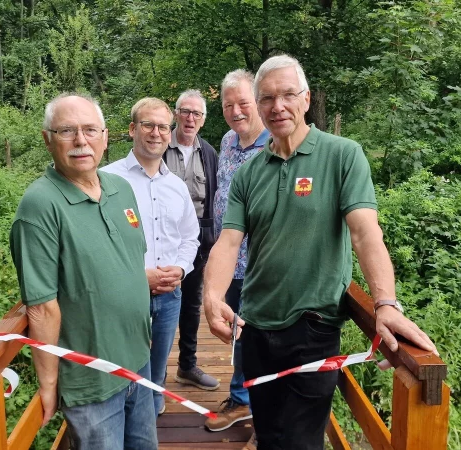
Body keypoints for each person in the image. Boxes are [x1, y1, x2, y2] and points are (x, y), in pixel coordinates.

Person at [203, 55, 438, 449]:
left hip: (312, 326)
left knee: (300, 441)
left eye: (287, 95)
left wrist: (386, 303)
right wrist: (211, 297)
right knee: (270, 435)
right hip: (256, 327)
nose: (278, 106)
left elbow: (365, 234)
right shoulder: (249, 172)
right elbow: (228, 242)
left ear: (306, 99)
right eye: (267, 98)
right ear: (259, 106)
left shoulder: (342, 155)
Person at [9, 93, 157, 449]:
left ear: (105, 137)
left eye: (90, 129)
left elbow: (128, 262)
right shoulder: (40, 206)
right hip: (91, 380)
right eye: (67, 131)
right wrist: (48, 385)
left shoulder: (121, 189)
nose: (81, 141)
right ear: (47, 138)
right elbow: (41, 306)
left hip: (138, 360)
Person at [101, 97, 200, 417]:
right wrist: (136, 276)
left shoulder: (176, 187)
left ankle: (152, 413)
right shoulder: (106, 181)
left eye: (163, 126)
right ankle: (127, 417)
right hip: (125, 296)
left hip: (171, 295)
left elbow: (190, 237)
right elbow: (98, 243)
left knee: (158, 369)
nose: (156, 133)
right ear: (132, 129)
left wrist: (181, 269)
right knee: (125, 368)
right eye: (148, 125)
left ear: (170, 133)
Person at [204, 70, 269, 442]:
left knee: (260, 340)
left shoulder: (275, 144)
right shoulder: (228, 141)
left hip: (263, 267)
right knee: (238, 336)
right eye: (229, 105)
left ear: (257, 101)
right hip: (230, 263)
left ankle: (265, 422)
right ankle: (241, 398)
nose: (236, 111)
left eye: (243, 103)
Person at [163, 89, 220, 391]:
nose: (190, 118)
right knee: (155, 304)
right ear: (176, 114)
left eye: (196, 113)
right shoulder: (158, 145)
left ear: (203, 120)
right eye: (185, 111)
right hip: (161, 241)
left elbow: (214, 199)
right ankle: (152, 374)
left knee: (191, 304)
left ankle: (187, 366)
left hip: (197, 242)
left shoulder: (209, 152)